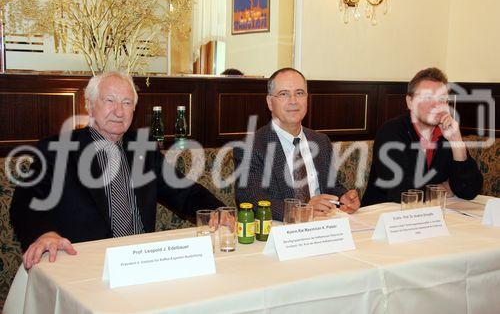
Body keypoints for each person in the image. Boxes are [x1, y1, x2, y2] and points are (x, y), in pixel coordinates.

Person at [10, 71, 224, 269]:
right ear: (89, 105)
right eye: (110, 101)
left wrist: (218, 211)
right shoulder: (56, 150)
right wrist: (45, 234)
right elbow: (25, 202)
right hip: (83, 265)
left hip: (142, 262)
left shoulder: (143, 149)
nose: (119, 111)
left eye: (127, 102)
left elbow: (182, 191)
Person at [234, 68, 360, 220]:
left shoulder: (321, 141)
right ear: (270, 102)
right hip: (281, 231)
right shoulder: (251, 147)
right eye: (284, 94)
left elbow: (330, 185)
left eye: (299, 93)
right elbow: (252, 200)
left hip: (325, 225)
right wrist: (304, 210)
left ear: (307, 98)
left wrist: (342, 197)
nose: (293, 101)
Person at [362, 67, 483, 205]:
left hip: (433, 214)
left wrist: (457, 143)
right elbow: (401, 191)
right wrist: (444, 189)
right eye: (427, 98)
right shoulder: (392, 131)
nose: (436, 105)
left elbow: (470, 190)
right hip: (383, 216)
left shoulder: (447, 134)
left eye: (442, 99)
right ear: (410, 102)